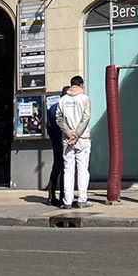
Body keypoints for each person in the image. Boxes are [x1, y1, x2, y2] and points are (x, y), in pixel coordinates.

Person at [56, 74, 93, 209]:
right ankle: (82, 199)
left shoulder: (63, 100)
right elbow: (86, 118)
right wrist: (76, 134)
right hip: (82, 138)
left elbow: (59, 119)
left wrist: (69, 133)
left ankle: (67, 201)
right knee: (82, 169)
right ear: (81, 85)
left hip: (67, 140)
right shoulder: (84, 99)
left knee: (68, 170)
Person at [46, 86, 67, 207]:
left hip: (55, 142)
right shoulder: (64, 107)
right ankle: (63, 197)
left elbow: (48, 126)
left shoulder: (52, 107)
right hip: (63, 141)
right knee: (65, 169)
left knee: (56, 168)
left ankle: (51, 195)